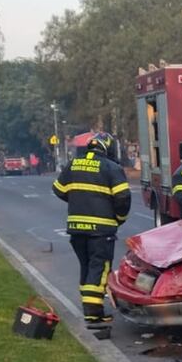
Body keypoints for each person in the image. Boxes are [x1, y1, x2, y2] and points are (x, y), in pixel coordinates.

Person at [52, 131, 131, 329]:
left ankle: (88, 307)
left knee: (87, 267)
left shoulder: (74, 163)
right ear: (108, 148)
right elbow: (122, 198)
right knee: (99, 268)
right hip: (101, 229)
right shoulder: (112, 168)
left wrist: (79, 200)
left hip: (76, 229)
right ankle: (94, 314)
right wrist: (118, 218)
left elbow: (58, 189)